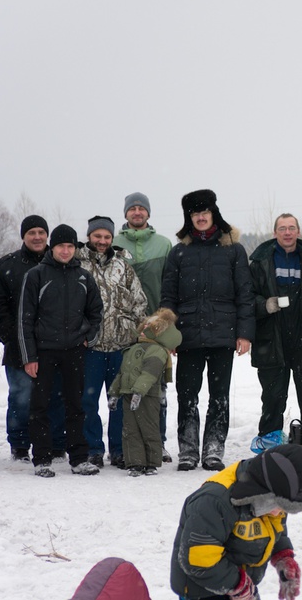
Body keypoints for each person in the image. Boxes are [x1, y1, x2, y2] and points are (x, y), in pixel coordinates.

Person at [161, 189, 255, 472]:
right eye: (195, 214)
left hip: (222, 334)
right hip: (187, 335)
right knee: (186, 394)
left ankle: (214, 449)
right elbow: (168, 297)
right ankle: (188, 450)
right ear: (189, 218)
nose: (200, 218)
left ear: (214, 214)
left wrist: (244, 333)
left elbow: (245, 294)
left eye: (205, 212)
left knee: (219, 395)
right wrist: (169, 335)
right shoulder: (178, 253)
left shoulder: (233, 250)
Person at [170, 444, 302, 600]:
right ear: (264, 491)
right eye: (280, 507)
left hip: (239, 584)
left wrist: (282, 555)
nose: (280, 513)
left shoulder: (273, 495)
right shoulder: (214, 501)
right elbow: (199, 558)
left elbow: (273, 527)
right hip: (202, 590)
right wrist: (236, 584)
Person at [18, 224, 104, 477]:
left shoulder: (84, 276)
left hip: (75, 350)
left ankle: (78, 458)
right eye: (60, 246)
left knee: (76, 405)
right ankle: (42, 459)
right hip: (44, 352)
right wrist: (29, 357)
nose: (65, 251)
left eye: (70, 246)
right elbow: (25, 319)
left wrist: (89, 336)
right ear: (51, 247)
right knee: (40, 406)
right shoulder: (36, 275)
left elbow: (96, 312)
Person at [0, 215, 66, 462]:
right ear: (23, 236)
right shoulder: (7, 265)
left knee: (55, 396)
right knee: (21, 397)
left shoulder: (59, 263)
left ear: (47, 236)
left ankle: (55, 443)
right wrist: (13, 337)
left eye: (41, 232)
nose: (37, 237)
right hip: (18, 346)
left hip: (52, 344)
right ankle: (20, 444)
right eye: (31, 232)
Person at [77, 215, 147, 469]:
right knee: (88, 401)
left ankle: (119, 450)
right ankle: (93, 449)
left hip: (121, 346)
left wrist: (138, 330)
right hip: (91, 347)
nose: (102, 241)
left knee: (118, 402)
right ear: (89, 237)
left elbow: (140, 301)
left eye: (107, 237)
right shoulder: (78, 265)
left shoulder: (123, 266)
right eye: (98, 236)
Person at [248, 213, 302, 454]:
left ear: (298, 231)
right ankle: (269, 444)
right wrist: (264, 304)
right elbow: (246, 297)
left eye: (291, 228)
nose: (287, 232)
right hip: (272, 338)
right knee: (273, 398)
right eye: (282, 228)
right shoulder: (260, 261)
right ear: (275, 232)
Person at [116, 191, 174, 462]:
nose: (137, 212)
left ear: (148, 214)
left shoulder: (163, 245)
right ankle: (122, 447)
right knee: (125, 388)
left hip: (155, 334)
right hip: (121, 331)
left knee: (156, 391)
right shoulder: (113, 243)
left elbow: (172, 288)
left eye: (141, 208)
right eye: (132, 209)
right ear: (126, 213)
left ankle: (157, 443)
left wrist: (166, 328)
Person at [108, 308, 182, 476]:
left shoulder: (157, 351)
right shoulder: (133, 348)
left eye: (151, 324)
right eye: (146, 323)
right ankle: (134, 462)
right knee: (130, 430)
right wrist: (115, 393)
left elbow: (149, 374)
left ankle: (151, 462)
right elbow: (123, 373)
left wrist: (139, 392)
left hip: (147, 396)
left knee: (149, 428)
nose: (146, 326)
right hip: (128, 394)